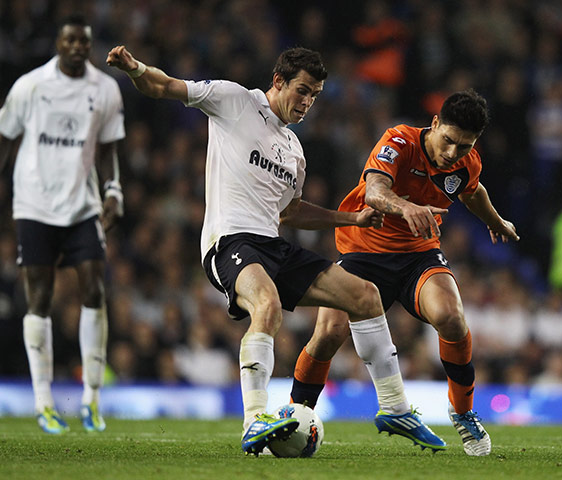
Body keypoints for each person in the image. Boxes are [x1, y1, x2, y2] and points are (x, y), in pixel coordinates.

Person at [106, 45, 447, 455]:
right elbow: (163, 86)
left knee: (365, 295)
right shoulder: (233, 101)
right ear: (279, 82)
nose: (307, 102)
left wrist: (351, 220)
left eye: (315, 95)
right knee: (265, 304)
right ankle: (254, 420)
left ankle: (394, 407)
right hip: (229, 241)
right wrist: (135, 68)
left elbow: (291, 212)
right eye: (302, 91)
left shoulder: (293, 149)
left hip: (273, 245)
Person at [290, 89, 520, 457]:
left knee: (451, 317)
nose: (452, 153)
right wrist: (404, 207)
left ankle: (462, 412)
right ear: (434, 124)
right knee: (329, 332)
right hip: (363, 252)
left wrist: (496, 221)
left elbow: (472, 192)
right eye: (448, 141)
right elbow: (374, 193)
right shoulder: (399, 140)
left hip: (418, 255)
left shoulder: (467, 163)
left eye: (463, 146)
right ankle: (297, 415)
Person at [0, 14, 125, 434]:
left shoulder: (104, 89)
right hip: (34, 204)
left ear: (89, 45)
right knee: (40, 297)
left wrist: (114, 189)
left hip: (81, 206)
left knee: (94, 288)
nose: (76, 47)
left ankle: (90, 399)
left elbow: (107, 146)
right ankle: (43, 402)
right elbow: (4, 136)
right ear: (58, 41)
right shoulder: (30, 86)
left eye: (83, 41)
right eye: (69, 39)